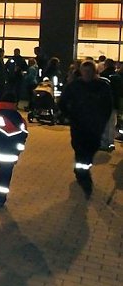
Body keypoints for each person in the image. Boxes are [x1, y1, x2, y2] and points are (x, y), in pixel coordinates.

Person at [59, 60, 113, 196]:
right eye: (85, 71)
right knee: (80, 151)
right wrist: (68, 115)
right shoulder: (75, 86)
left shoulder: (102, 86)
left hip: (95, 127)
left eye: (90, 71)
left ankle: (82, 170)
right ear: (81, 72)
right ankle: (84, 177)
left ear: (95, 72)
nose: (87, 74)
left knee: (90, 151)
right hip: (79, 125)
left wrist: (102, 121)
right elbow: (62, 102)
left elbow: (108, 105)